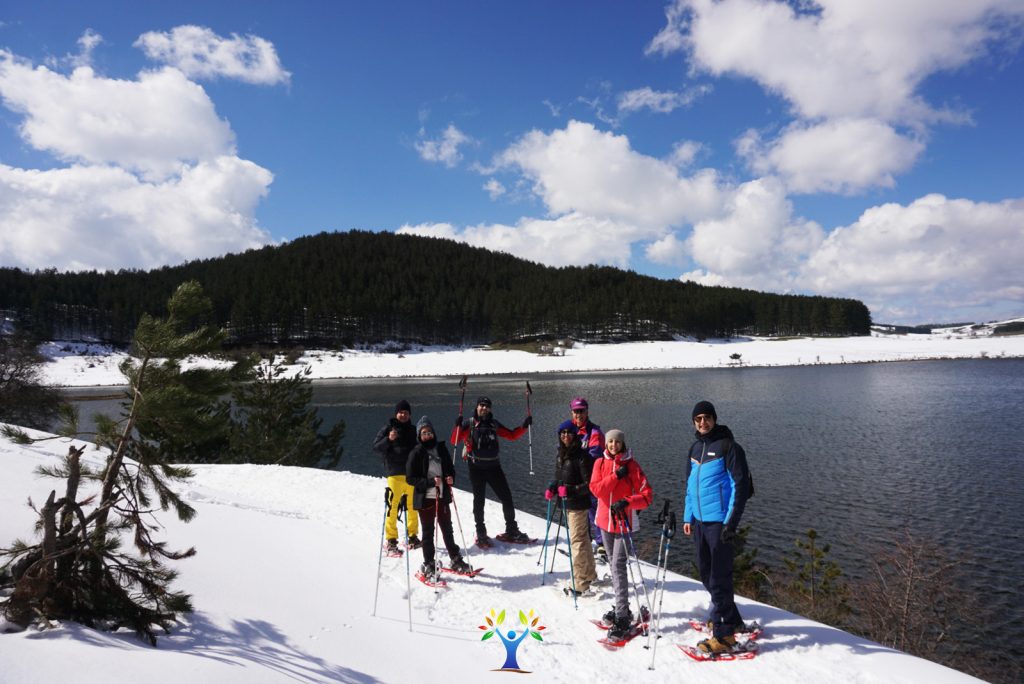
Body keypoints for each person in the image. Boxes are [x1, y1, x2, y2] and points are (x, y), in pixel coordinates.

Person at [682, 400, 753, 655]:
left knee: (719, 578)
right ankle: (730, 617)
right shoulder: (695, 448)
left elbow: (740, 486)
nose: (703, 422)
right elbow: (690, 487)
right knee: (705, 572)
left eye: (707, 417)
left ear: (714, 418)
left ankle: (725, 636)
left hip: (719, 523)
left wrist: (730, 522)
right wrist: (688, 517)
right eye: (698, 418)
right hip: (700, 522)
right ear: (694, 422)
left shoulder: (728, 447)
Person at [590, 429, 653, 641]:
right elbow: (596, 490)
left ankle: (622, 615)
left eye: (617, 442)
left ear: (623, 444)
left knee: (617, 565)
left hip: (624, 523)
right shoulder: (599, 464)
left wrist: (628, 501)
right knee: (613, 564)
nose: (613, 445)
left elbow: (646, 496)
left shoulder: (632, 466)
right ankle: (621, 607)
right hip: (604, 522)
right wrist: (615, 476)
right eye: (610, 441)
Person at [450, 396, 532, 547]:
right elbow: (454, 440)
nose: (484, 408)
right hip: (476, 468)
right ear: (476, 407)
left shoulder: (494, 424)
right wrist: (458, 426)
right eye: (481, 405)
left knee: (506, 497)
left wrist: (524, 426)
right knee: (479, 500)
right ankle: (481, 532)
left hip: (494, 467)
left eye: (487, 406)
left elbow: (512, 435)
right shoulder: (469, 424)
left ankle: (511, 530)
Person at [406, 416, 471, 580]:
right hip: (426, 499)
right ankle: (428, 563)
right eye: (424, 433)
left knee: (447, 530)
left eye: (429, 432)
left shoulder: (441, 449)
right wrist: (429, 482)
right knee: (428, 533)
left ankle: (455, 558)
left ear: (433, 433)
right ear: (419, 436)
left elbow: (450, 469)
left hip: (441, 497)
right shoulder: (416, 452)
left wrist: (450, 478)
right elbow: (410, 478)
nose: (427, 435)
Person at [546, 426, 597, 597]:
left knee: (576, 542)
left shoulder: (582, 456)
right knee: (582, 539)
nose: (565, 435)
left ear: (575, 435)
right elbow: (560, 477)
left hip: (578, 505)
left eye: (569, 433)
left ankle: (580, 583)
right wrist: (554, 486)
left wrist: (570, 491)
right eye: (562, 433)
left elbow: (590, 485)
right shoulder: (561, 453)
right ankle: (590, 574)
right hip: (567, 503)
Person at [557, 397, 605, 559]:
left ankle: (602, 545)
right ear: (571, 412)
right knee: (577, 512)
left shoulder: (594, 432)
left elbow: (595, 457)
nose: (579, 414)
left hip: (591, 479)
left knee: (594, 509)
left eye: (581, 411)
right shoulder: (568, 430)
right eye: (576, 411)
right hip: (574, 480)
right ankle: (585, 542)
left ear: (587, 411)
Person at [372, 399, 420, 554]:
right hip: (394, 474)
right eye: (401, 412)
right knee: (392, 507)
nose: (403, 415)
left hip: (411, 475)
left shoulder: (414, 430)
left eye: (406, 412)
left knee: (413, 508)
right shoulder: (388, 429)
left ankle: (412, 537)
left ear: (409, 414)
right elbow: (376, 447)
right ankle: (391, 540)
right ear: (396, 413)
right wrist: (389, 439)